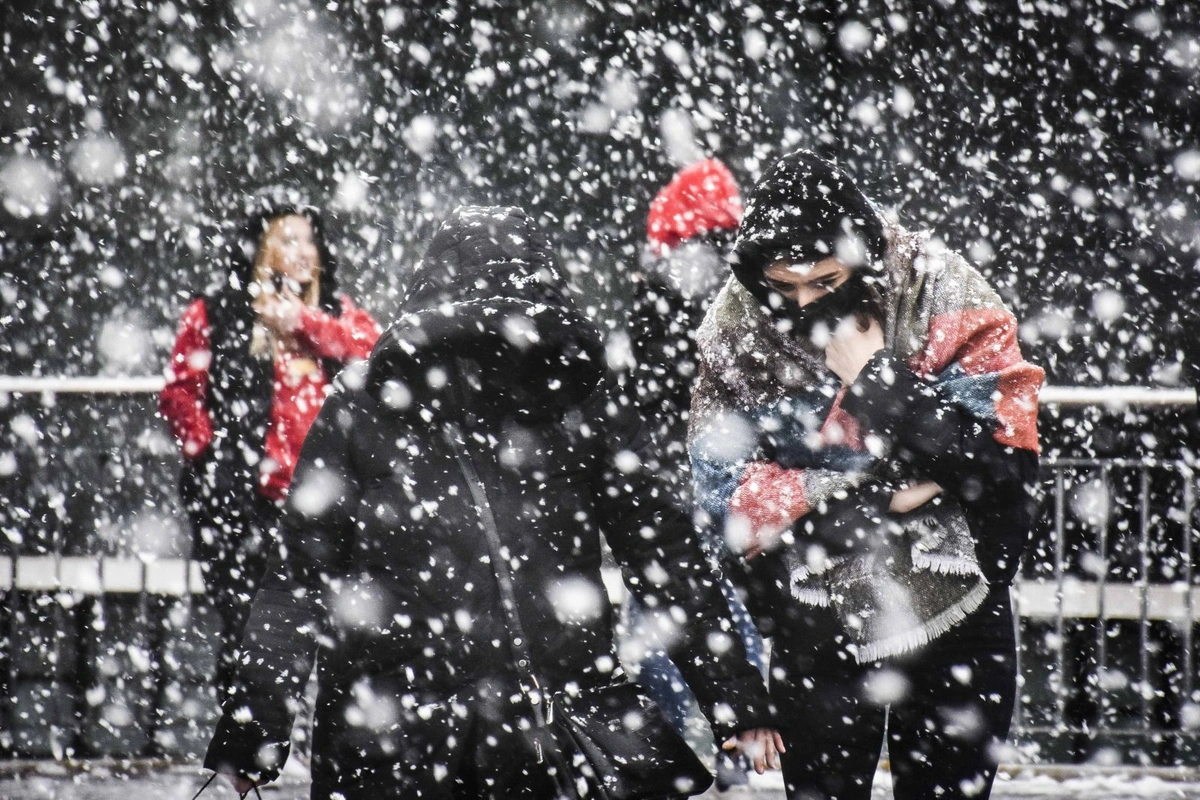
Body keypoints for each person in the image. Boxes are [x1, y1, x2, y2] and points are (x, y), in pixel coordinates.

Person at [202, 206, 782, 799]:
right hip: (544, 726)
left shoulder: (367, 401)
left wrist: (253, 734)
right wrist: (734, 696)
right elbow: (664, 554)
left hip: (393, 735)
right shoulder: (576, 396)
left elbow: (298, 579)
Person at [688, 151, 1044, 799]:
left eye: (824, 281)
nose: (802, 302)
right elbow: (723, 503)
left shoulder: (942, 289)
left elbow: (1006, 464)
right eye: (784, 285)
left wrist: (874, 376)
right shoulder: (736, 328)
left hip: (958, 618)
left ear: (862, 258)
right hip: (814, 623)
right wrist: (896, 483)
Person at [159, 190, 380, 697]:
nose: (304, 252)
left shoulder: (338, 314)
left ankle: (303, 732)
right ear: (258, 248)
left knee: (330, 626)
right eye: (288, 239)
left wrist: (305, 323)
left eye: (310, 241)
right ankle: (248, 740)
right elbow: (179, 395)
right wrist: (211, 454)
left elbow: (374, 354)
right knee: (247, 625)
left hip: (326, 501)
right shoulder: (215, 313)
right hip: (241, 502)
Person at [626, 158, 759, 790]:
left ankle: (669, 749)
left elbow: (641, 388)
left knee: (658, 622)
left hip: (666, 475)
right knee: (735, 610)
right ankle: (743, 743)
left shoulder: (662, 278)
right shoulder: (741, 281)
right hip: (729, 471)